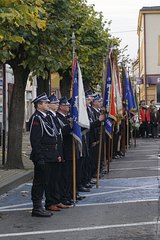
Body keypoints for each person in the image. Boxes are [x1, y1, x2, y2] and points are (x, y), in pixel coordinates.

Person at [29, 93, 61, 217]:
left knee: (47, 181)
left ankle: (45, 205)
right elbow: (35, 140)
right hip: (43, 155)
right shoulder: (36, 118)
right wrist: (39, 157)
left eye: (48, 102)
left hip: (50, 154)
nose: (48, 104)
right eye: (46, 103)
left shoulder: (46, 117)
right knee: (39, 183)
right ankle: (37, 207)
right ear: (39, 105)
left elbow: (53, 136)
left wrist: (56, 154)